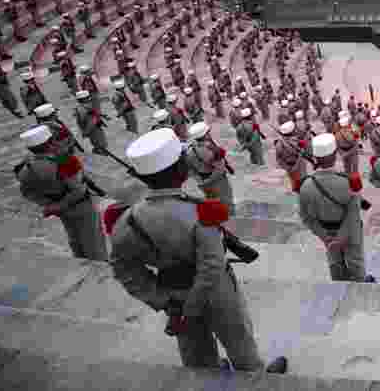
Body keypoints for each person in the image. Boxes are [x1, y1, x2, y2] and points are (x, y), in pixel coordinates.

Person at [105, 128, 288, 374]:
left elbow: (123, 268)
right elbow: (211, 266)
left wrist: (162, 300)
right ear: (180, 169)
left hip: (173, 292)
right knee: (240, 345)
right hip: (216, 293)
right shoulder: (199, 211)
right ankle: (254, 376)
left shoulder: (126, 221)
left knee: (197, 359)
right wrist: (193, 304)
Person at [16, 125, 107, 260]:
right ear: (50, 141)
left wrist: (49, 205)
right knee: (94, 245)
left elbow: (26, 192)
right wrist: (58, 206)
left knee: (75, 242)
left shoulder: (25, 166)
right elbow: (79, 191)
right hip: (81, 207)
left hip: (60, 211)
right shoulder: (65, 160)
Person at [299, 133, 375, 282]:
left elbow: (305, 217)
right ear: (335, 155)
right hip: (350, 232)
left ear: (315, 158)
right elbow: (353, 214)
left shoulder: (305, 186)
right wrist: (341, 239)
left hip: (326, 233)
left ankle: (338, 287)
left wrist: (326, 238)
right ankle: (360, 284)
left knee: (335, 264)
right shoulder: (347, 182)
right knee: (355, 262)